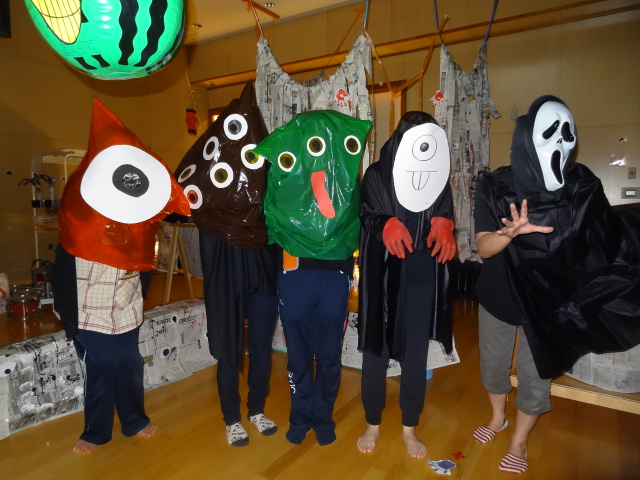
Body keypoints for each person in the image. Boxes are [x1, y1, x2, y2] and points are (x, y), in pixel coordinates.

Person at [472, 95, 640, 474]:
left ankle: (520, 440)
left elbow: (603, 239)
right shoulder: (496, 185)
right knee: (494, 365)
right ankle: (497, 417)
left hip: (549, 302)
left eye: (568, 133)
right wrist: (509, 233)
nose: (561, 142)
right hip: (500, 294)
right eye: (551, 133)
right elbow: (483, 247)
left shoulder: (581, 186)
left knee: (536, 371)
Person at [53, 98, 190, 454]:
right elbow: (64, 257)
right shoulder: (81, 196)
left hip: (125, 301)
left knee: (128, 361)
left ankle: (134, 419)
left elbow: (148, 253)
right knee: (100, 364)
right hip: (88, 305)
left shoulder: (138, 209)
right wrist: (66, 313)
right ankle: (96, 430)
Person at [253, 109, 372, 446]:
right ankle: (300, 416)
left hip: (333, 277)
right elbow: (270, 215)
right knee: (299, 357)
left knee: (329, 356)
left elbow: (355, 219)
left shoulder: (346, 182)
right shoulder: (285, 182)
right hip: (296, 275)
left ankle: (323, 417)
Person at [173, 82, 280, 447]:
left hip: (262, 267)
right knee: (229, 349)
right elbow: (188, 192)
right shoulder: (211, 200)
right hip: (226, 269)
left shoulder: (268, 176)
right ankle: (232, 418)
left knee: (261, 348)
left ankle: (257, 409)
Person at [356, 111, 456, 458]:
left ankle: (409, 427)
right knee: (376, 350)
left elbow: (444, 212)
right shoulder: (376, 174)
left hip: (421, 273)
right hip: (384, 273)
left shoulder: (438, 176)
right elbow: (366, 214)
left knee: (416, 353)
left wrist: (445, 223)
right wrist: (384, 222)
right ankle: (372, 423)